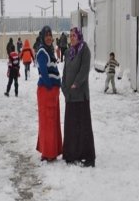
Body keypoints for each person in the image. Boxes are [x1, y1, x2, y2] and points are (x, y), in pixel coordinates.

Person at [61, 27, 95, 167]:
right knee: (71, 127)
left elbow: (84, 70)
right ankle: (71, 154)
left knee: (83, 127)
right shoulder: (68, 52)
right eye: (70, 35)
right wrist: (64, 87)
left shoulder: (84, 50)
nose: (72, 38)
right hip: (70, 96)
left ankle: (87, 156)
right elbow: (65, 72)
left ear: (79, 36)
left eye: (74, 35)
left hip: (80, 96)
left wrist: (75, 84)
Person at [36, 25, 62, 162]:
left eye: (50, 35)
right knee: (48, 123)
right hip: (47, 91)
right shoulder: (42, 52)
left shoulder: (49, 51)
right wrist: (51, 87)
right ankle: (48, 153)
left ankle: (52, 150)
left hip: (51, 92)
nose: (49, 38)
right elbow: (44, 74)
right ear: (42, 37)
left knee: (52, 123)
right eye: (46, 35)